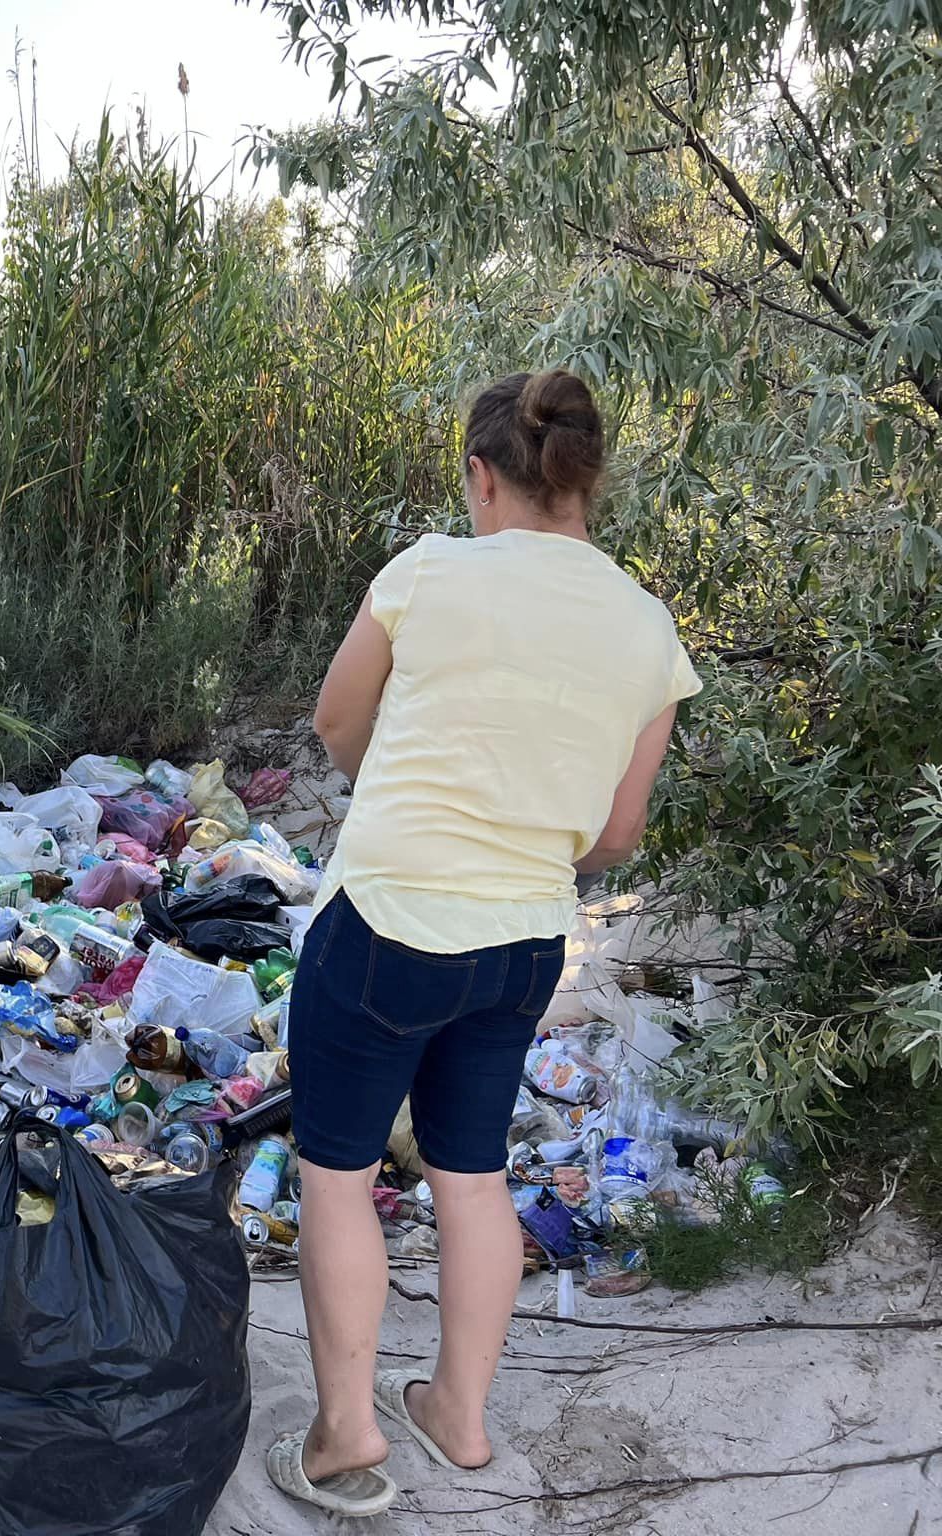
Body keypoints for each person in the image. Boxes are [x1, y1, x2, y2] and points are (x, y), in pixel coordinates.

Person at [267, 370, 701, 1518]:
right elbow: (612, 836)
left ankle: (344, 1434)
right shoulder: (647, 632)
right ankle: (457, 1417)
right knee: (471, 1179)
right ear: (587, 478)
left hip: (385, 923)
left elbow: (333, 720)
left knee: (337, 1182)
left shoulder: (427, 571)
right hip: (520, 944)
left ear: (480, 473)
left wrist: (396, 796)